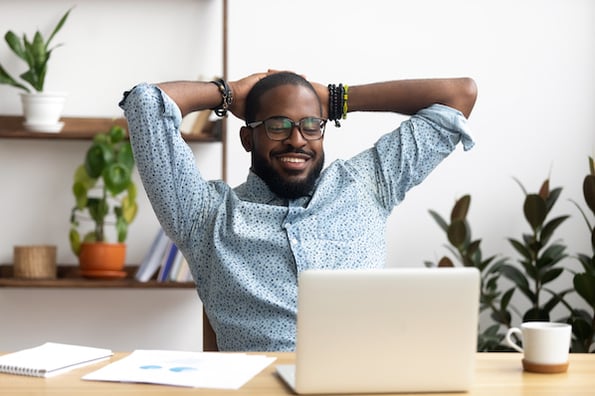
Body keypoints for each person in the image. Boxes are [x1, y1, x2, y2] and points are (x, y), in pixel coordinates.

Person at [119, 71, 477, 351]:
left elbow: (458, 95)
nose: (297, 139)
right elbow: (146, 104)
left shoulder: (367, 184)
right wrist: (229, 95)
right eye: (277, 126)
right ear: (248, 138)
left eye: (311, 125)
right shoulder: (203, 215)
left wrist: (335, 99)